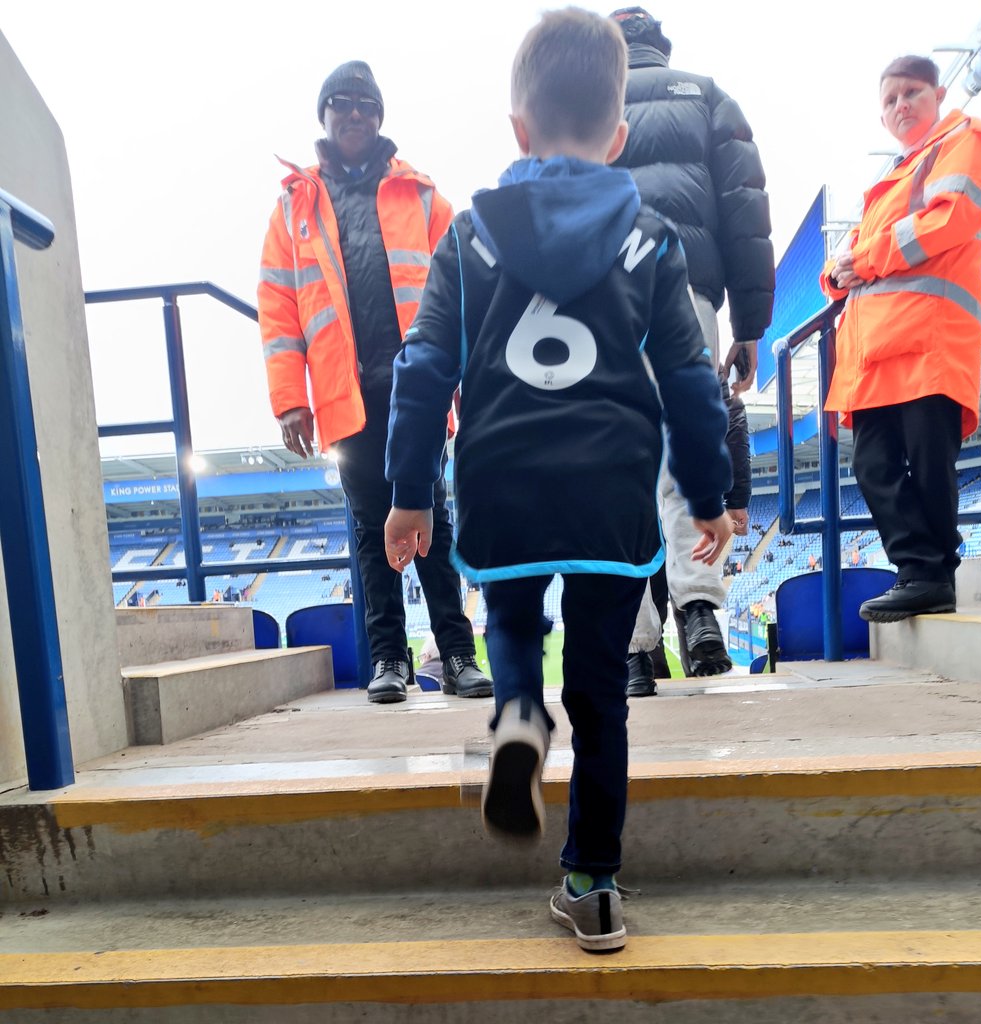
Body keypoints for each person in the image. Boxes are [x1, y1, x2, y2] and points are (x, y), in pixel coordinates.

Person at [383, 8, 732, 953]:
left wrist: (408, 491)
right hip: (611, 490)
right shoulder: (651, 237)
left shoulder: (468, 235)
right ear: (619, 138)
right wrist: (709, 494)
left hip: (499, 481)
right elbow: (691, 380)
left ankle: (515, 718)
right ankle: (593, 885)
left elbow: (423, 368)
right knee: (604, 694)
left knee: (509, 622)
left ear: (516, 128)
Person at [257, 60, 492, 704]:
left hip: (419, 384)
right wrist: (289, 400)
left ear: (380, 115)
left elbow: (464, 292)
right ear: (324, 115)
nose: (353, 110)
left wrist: (469, 379)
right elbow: (278, 310)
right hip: (344, 392)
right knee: (369, 527)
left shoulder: (422, 196)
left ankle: (457, 656)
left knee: (433, 524)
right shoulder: (293, 209)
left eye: (364, 101)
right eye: (340, 100)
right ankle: (388, 659)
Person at [609, 7, 772, 687]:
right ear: (659, 45)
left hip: (599, 300)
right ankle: (699, 613)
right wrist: (750, 323)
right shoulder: (705, 94)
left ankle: (631, 645)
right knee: (685, 454)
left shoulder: (581, 98)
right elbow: (744, 208)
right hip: (685, 295)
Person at [822, 55, 981, 622]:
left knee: (930, 461)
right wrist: (840, 271)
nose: (900, 106)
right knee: (873, 466)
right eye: (889, 100)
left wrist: (864, 260)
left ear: (939, 93)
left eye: (911, 94)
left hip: (929, 338)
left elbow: (949, 222)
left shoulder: (970, 139)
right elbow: (839, 265)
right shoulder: (891, 180)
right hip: (876, 350)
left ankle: (930, 574)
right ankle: (919, 570)